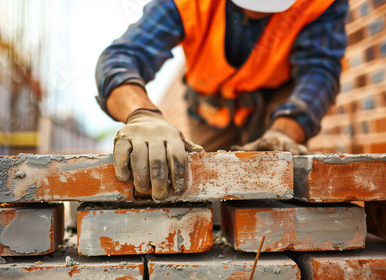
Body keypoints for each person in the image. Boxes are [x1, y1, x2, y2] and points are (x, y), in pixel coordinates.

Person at [95, 0, 348, 200]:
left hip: (276, 107)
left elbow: (319, 73)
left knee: (277, 191)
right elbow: (123, 56)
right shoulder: (185, 3)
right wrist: (142, 115)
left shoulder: (320, 3)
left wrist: (284, 133)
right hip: (211, 109)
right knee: (192, 188)